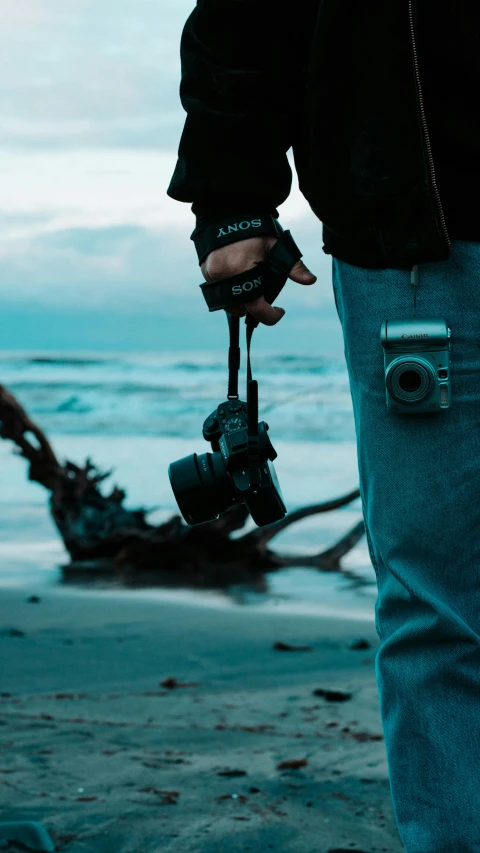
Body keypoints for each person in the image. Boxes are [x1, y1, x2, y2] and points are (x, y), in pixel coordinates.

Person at [167, 3, 480, 851]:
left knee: (436, 606)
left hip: (420, 248)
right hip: (425, 241)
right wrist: (231, 196)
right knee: (437, 603)